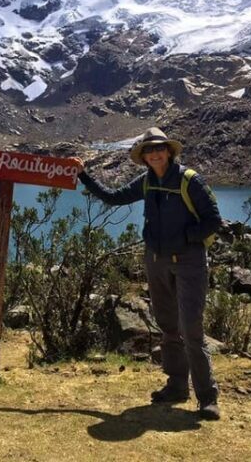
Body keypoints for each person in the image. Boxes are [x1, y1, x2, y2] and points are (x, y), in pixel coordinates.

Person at [76, 128, 223, 421]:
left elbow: (213, 220)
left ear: (169, 151)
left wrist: (186, 238)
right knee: (168, 325)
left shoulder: (189, 180)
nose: (154, 153)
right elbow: (113, 197)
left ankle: (207, 397)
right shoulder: (147, 181)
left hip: (188, 261)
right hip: (156, 261)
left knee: (191, 327)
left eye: (159, 148)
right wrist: (83, 175)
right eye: (148, 150)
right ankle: (177, 385)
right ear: (143, 157)